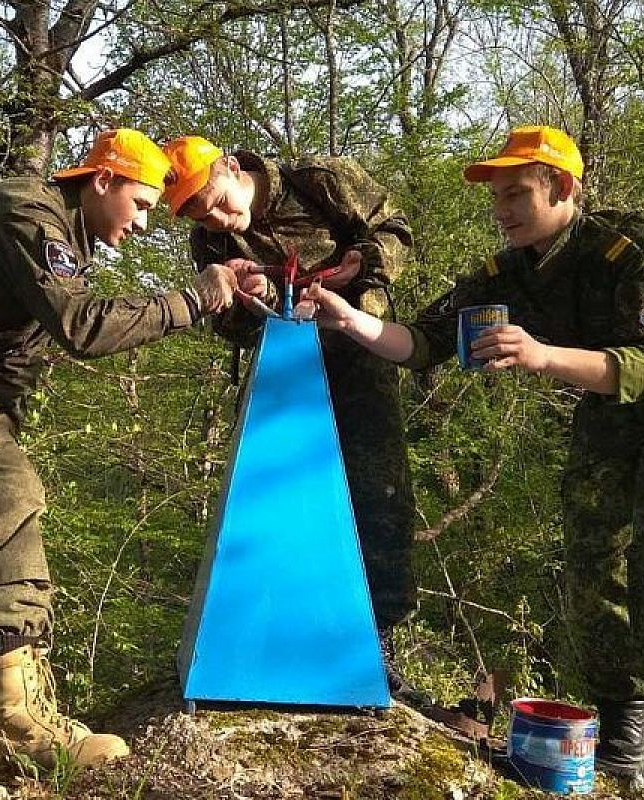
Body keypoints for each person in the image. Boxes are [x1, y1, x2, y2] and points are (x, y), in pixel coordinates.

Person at [298, 125, 644, 780]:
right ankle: (621, 739)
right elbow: (422, 343)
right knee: (590, 555)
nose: (501, 211)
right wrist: (349, 318)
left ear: (563, 187)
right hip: (609, 418)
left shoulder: (631, 248)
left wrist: (543, 355)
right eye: (496, 197)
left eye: (516, 194)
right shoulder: (505, 273)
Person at [0, 128, 239, 776]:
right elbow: (82, 328)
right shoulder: (31, 213)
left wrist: (3, 420)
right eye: (139, 204)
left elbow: (20, 353)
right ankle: (21, 724)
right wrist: (194, 300)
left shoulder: (63, 241)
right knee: (8, 491)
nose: (143, 223)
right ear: (103, 181)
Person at [162, 135, 420, 698]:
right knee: (273, 502)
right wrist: (244, 299)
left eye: (214, 198)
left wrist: (366, 263)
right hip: (282, 381)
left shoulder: (321, 180)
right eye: (197, 212)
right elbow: (227, 325)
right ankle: (267, 643)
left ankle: (380, 647)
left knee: (379, 496)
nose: (215, 218)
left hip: (359, 357)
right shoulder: (209, 242)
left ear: (232, 167)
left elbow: (395, 228)